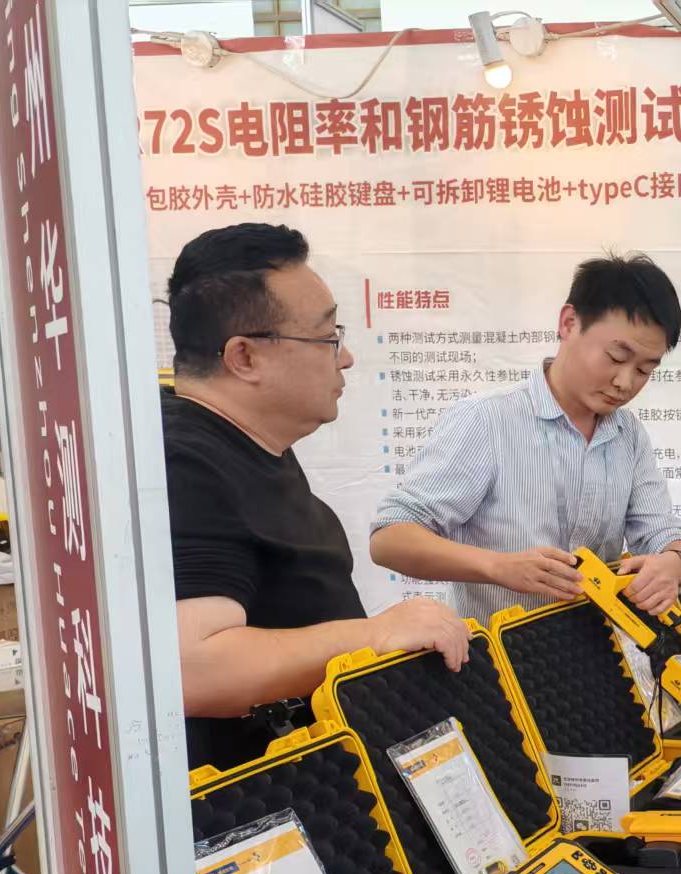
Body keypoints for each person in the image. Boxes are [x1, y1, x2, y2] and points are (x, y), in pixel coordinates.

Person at [164, 223, 469, 772]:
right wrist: (375, 634)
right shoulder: (185, 462)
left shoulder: (253, 444)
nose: (345, 358)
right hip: (256, 806)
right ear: (244, 357)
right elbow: (193, 667)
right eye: (328, 338)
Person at [369, 253, 681, 621]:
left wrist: (674, 562)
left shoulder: (628, 434)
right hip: (497, 652)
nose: (625, 382)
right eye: (616, 357)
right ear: (569, 323)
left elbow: (662, 531)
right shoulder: (487, 420)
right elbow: (390, 537)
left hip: (600, 650)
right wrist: (497, 567)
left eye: (644, 370)